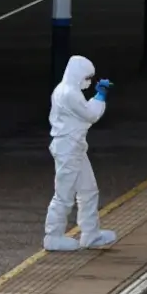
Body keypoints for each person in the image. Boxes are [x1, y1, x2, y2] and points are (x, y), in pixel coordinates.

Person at [43, 55, 119, 252]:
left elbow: (84, 114)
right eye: (87, 77)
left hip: (74, 147)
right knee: (64, 195)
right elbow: (90, 115)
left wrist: (96, 97)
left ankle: (91, 234)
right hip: (68, 150)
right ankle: (53, 236)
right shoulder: (69, 94)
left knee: (88, 190)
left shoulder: (68, 90)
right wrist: (100, 96)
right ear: (77, 75)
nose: (88, 81)